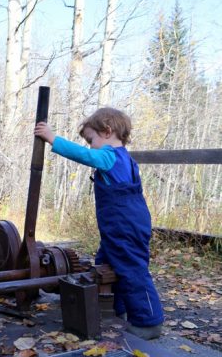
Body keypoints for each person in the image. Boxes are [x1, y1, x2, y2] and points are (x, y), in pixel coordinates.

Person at [34, 107, 163, 340]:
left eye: (91, 139)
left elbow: (85, 156)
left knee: (132, 268)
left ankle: (148, 322)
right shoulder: (127, 159)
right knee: (108, 265)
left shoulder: (109, 155)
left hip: (122, 224)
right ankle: (117, 309)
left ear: (107, 131)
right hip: (127, 223)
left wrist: (52, 138)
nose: (90, 145)